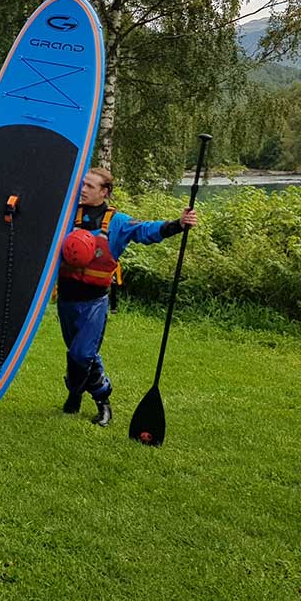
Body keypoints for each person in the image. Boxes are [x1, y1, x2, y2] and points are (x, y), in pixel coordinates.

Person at [58, 167, 198, 427]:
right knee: (77, 353)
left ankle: (100, 400)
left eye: (90, 186)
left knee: (82, 354)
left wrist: (178, 224)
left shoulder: (118, 222)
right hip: (67, 299)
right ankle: (76, 393)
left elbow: (147, 231)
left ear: (105, 191)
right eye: (83, 184)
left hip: (94, 302)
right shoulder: (67, 217)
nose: (83, 189)